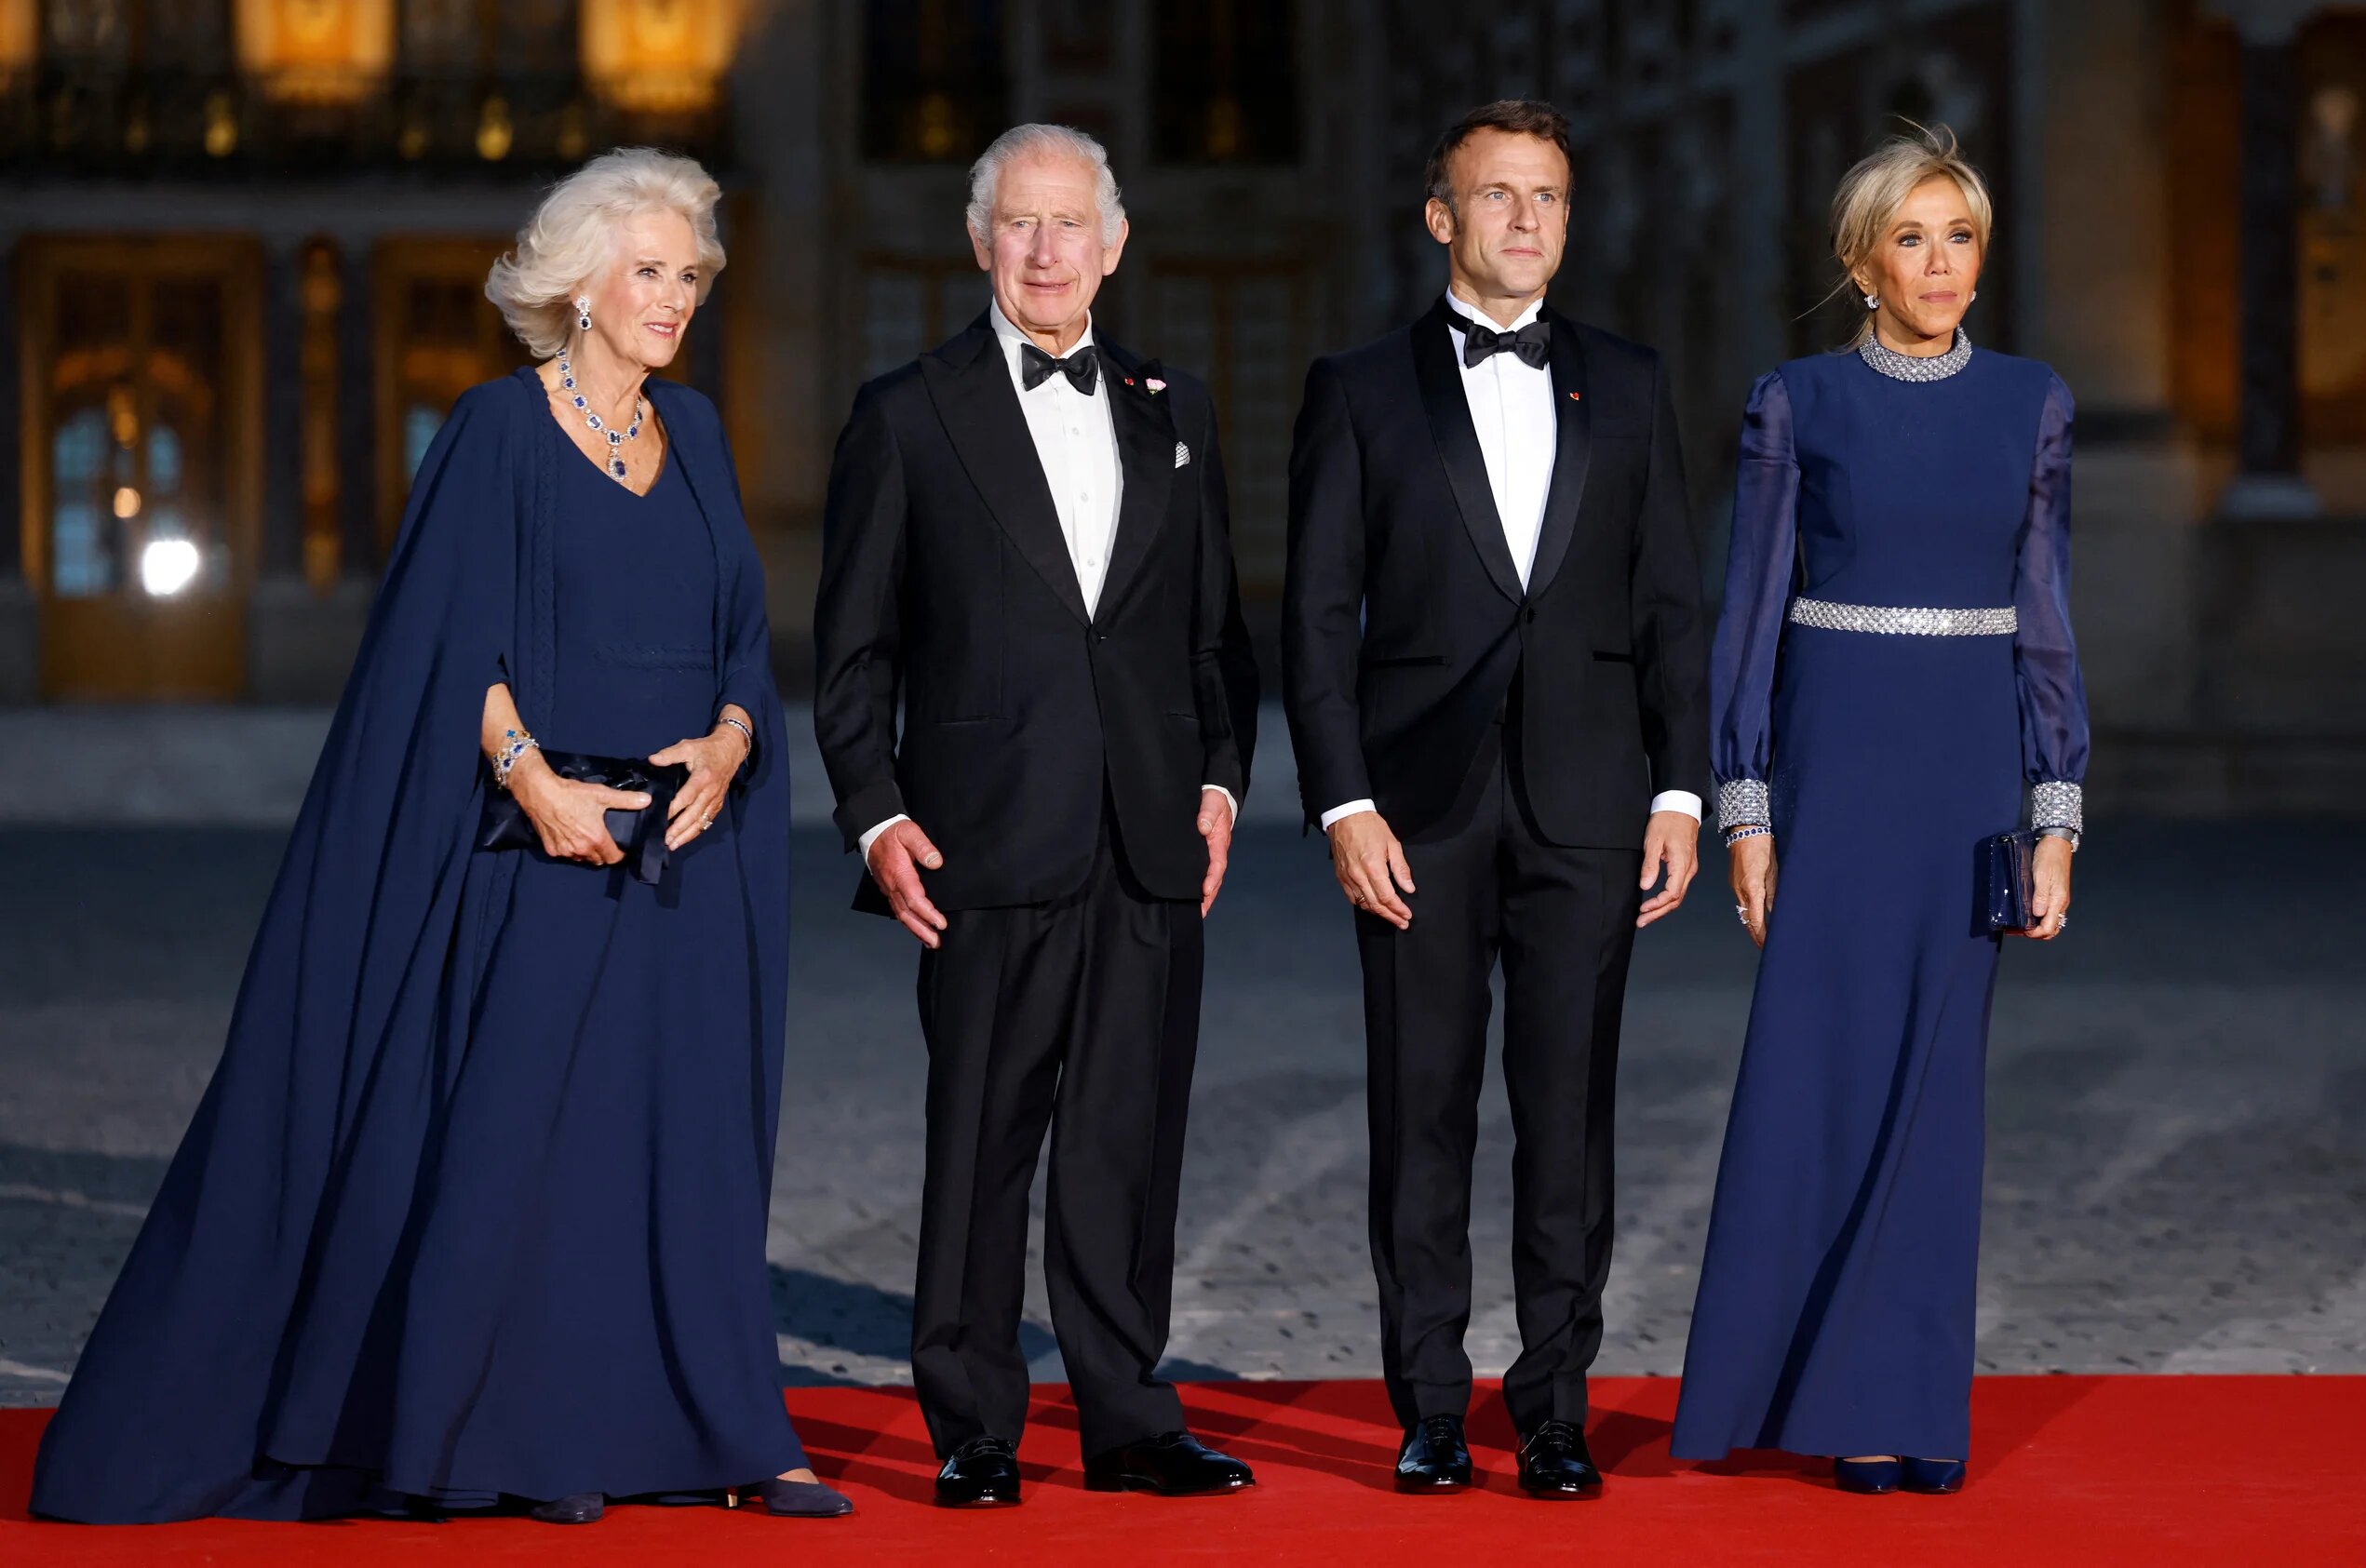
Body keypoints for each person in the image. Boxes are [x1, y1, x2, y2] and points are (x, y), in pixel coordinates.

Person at [31, 149, 849, 1525]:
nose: (675, 297)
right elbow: (437, 648)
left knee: (675, 1162)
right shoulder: (495, 430)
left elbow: (734, 640)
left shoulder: (698, 435)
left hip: (680, 870)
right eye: (648, 271)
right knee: (514, 1164)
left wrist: (732, 737)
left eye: (690, 274)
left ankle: (724, 1432)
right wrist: (534, 783)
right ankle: (496, 1440)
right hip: (539, 856)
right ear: (578, 283)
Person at [813, 123, 1258, 1508]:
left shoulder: (1174, 412)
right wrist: (879, 818)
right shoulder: (905, 413)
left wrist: (1221, 782)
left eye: (1073, 224)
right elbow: (851, 655)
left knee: (1127, 1139)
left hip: (1146, 838)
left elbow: (1211, 638)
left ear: (1114, 245)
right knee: (981, 1142)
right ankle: (972, 1421)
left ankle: (1128, 1414)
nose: (1049, 249)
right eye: (1022, 223)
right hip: (981, 840)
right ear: (980, 240)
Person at [1282, 99, 1710, 1498]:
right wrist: (1342, 802)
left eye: (1548, 197)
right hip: (1414, 811)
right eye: (1498, 194)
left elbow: (1671, 608)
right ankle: (1425, 1402)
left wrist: (1685, 787)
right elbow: (1317, 617)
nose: (1526, 219)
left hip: (1591, 805)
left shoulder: (1634, 383)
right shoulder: (1357, 388)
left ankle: (1555, 1405)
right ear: (1441, 216)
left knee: (1569, 1114)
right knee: (1422, 1113)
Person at [1669, 125, 2088, 1496]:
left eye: (1959, 235)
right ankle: (1809, 1395)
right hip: (1834, 770)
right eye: (1910, 237)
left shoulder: (2033, 401)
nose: (1940, 263)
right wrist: (1746, 806)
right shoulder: (1798, 402)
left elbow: (2044, 623)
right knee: (1816, 1074)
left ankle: (1905, 1398)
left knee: (1935, 1094)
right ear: (1863, 264)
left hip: (1966, 777)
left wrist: (2057, 812)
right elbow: (1749, 617)